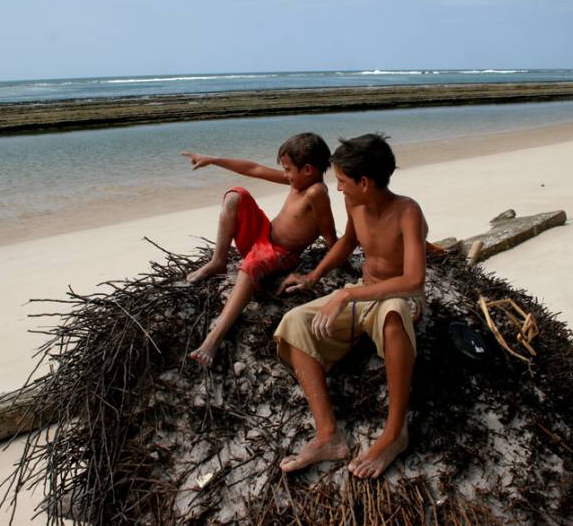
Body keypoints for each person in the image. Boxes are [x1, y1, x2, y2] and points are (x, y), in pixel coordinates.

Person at [274, 133, 428, 479]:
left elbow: (415, 280)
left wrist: (346, 295)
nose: (338, 188)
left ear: (364, 181)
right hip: (365, 290)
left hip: (399, 297)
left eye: (342, 181)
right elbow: (348, 241)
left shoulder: (408, 211)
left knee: (392, 315)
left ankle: (394, 434)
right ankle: (328, 435)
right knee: (294, 323)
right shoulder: (355, 204)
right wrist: (313, 277)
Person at [181, 133, 338, 366]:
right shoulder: (298, 180)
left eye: (287, 169)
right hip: (262, 236)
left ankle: (214, 337)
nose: (285, 175)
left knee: (252, 263)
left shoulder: (316, 192)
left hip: (282, 254)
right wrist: (212, 159)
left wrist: (327, 270)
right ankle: (218, 260)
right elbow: (254, 169)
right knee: (236, 195)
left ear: (307, 169)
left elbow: (329, 236)